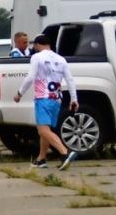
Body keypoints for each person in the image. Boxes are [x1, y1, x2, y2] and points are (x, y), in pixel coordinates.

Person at [12, 31, 78, 169]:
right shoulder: (61, 59)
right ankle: (41, 159)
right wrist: (74, 99)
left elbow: (30, 77)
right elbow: (70, 80)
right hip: (56, 99)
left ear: (37, 45)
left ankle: (65, 153)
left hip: (43, 97)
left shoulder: (36, 57)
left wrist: (19, 93)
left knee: (42, 131)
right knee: (46, 129)